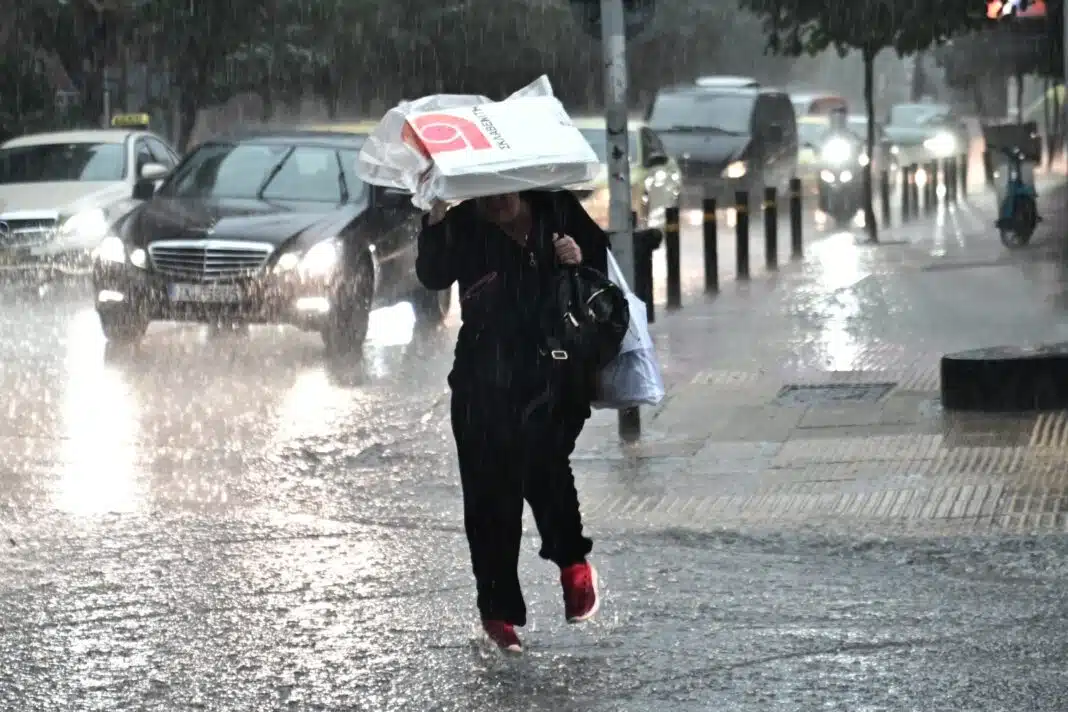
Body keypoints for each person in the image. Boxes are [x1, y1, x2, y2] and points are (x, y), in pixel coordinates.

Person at [416, 189, 610, 654]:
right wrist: (434, 218)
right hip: (482, 379)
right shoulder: (463, 222)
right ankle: (497, 611)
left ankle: (572, 562)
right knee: (488, 495)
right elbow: (432, 275)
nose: (497, 202)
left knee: (545, 469)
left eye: (504, 193)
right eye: (486, 195)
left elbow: (601, 276)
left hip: (554, 373)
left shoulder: (557, 209)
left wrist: (577, 258)